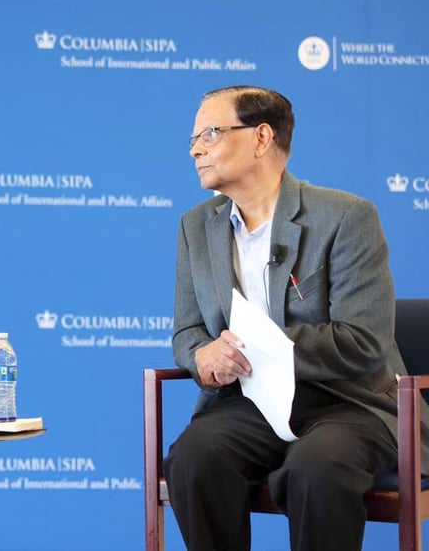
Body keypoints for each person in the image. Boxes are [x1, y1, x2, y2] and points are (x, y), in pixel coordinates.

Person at [163, 85, 429, 551]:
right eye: (192, 139)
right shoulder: (196, 226)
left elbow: (363, 341)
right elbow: (188, 330)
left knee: (316, 469)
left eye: (210, 133)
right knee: (193, 457)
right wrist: (204, 353)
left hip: (348, 402)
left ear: (262, 137)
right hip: (251, 406)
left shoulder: (346, 216)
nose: (196, 149)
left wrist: (256, 346)